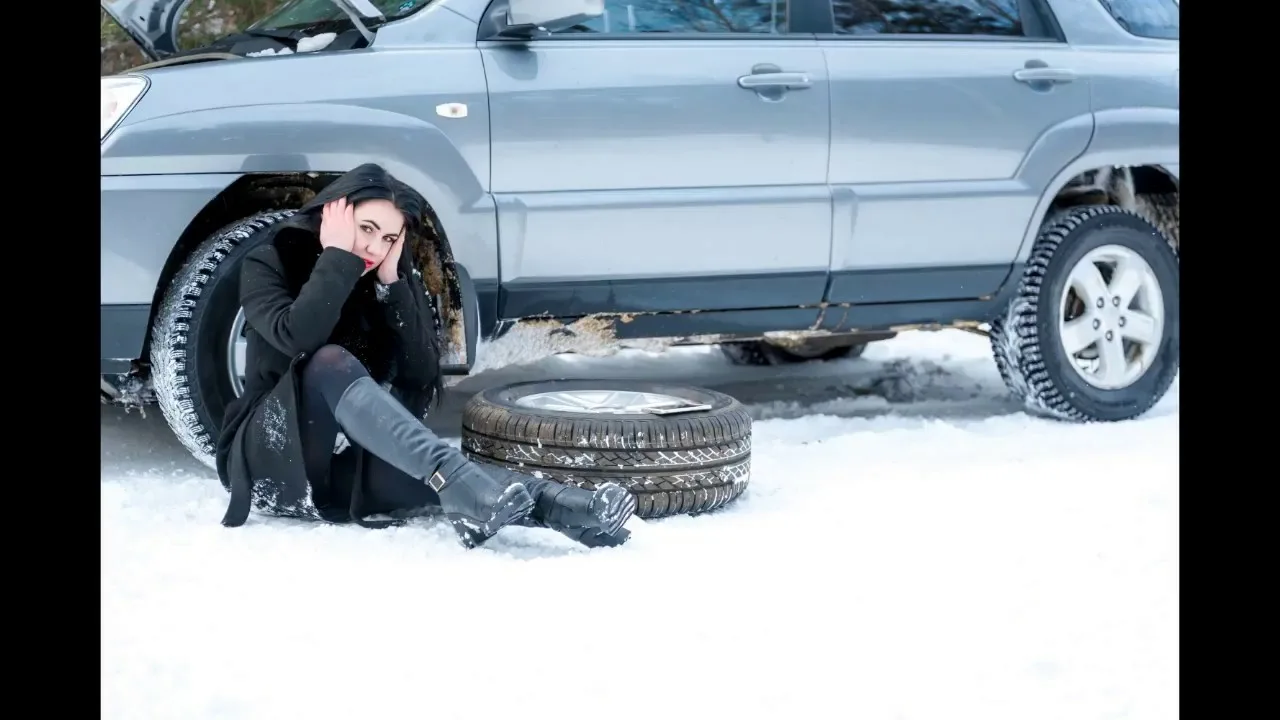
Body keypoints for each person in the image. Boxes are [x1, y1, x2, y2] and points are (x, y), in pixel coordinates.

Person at [215, 163, 635, 548]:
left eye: (388, 238)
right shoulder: (271, 260)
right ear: (334, 215)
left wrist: (392, 282)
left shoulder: (379, 278)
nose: (374, 246)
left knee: (478, 491)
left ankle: (570, 511)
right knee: (330, 362)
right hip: (271, 460)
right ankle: (452, 474)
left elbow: (419, 375)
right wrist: (337, 257)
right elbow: (298, 338)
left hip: (347, 471)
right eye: (366, 228)